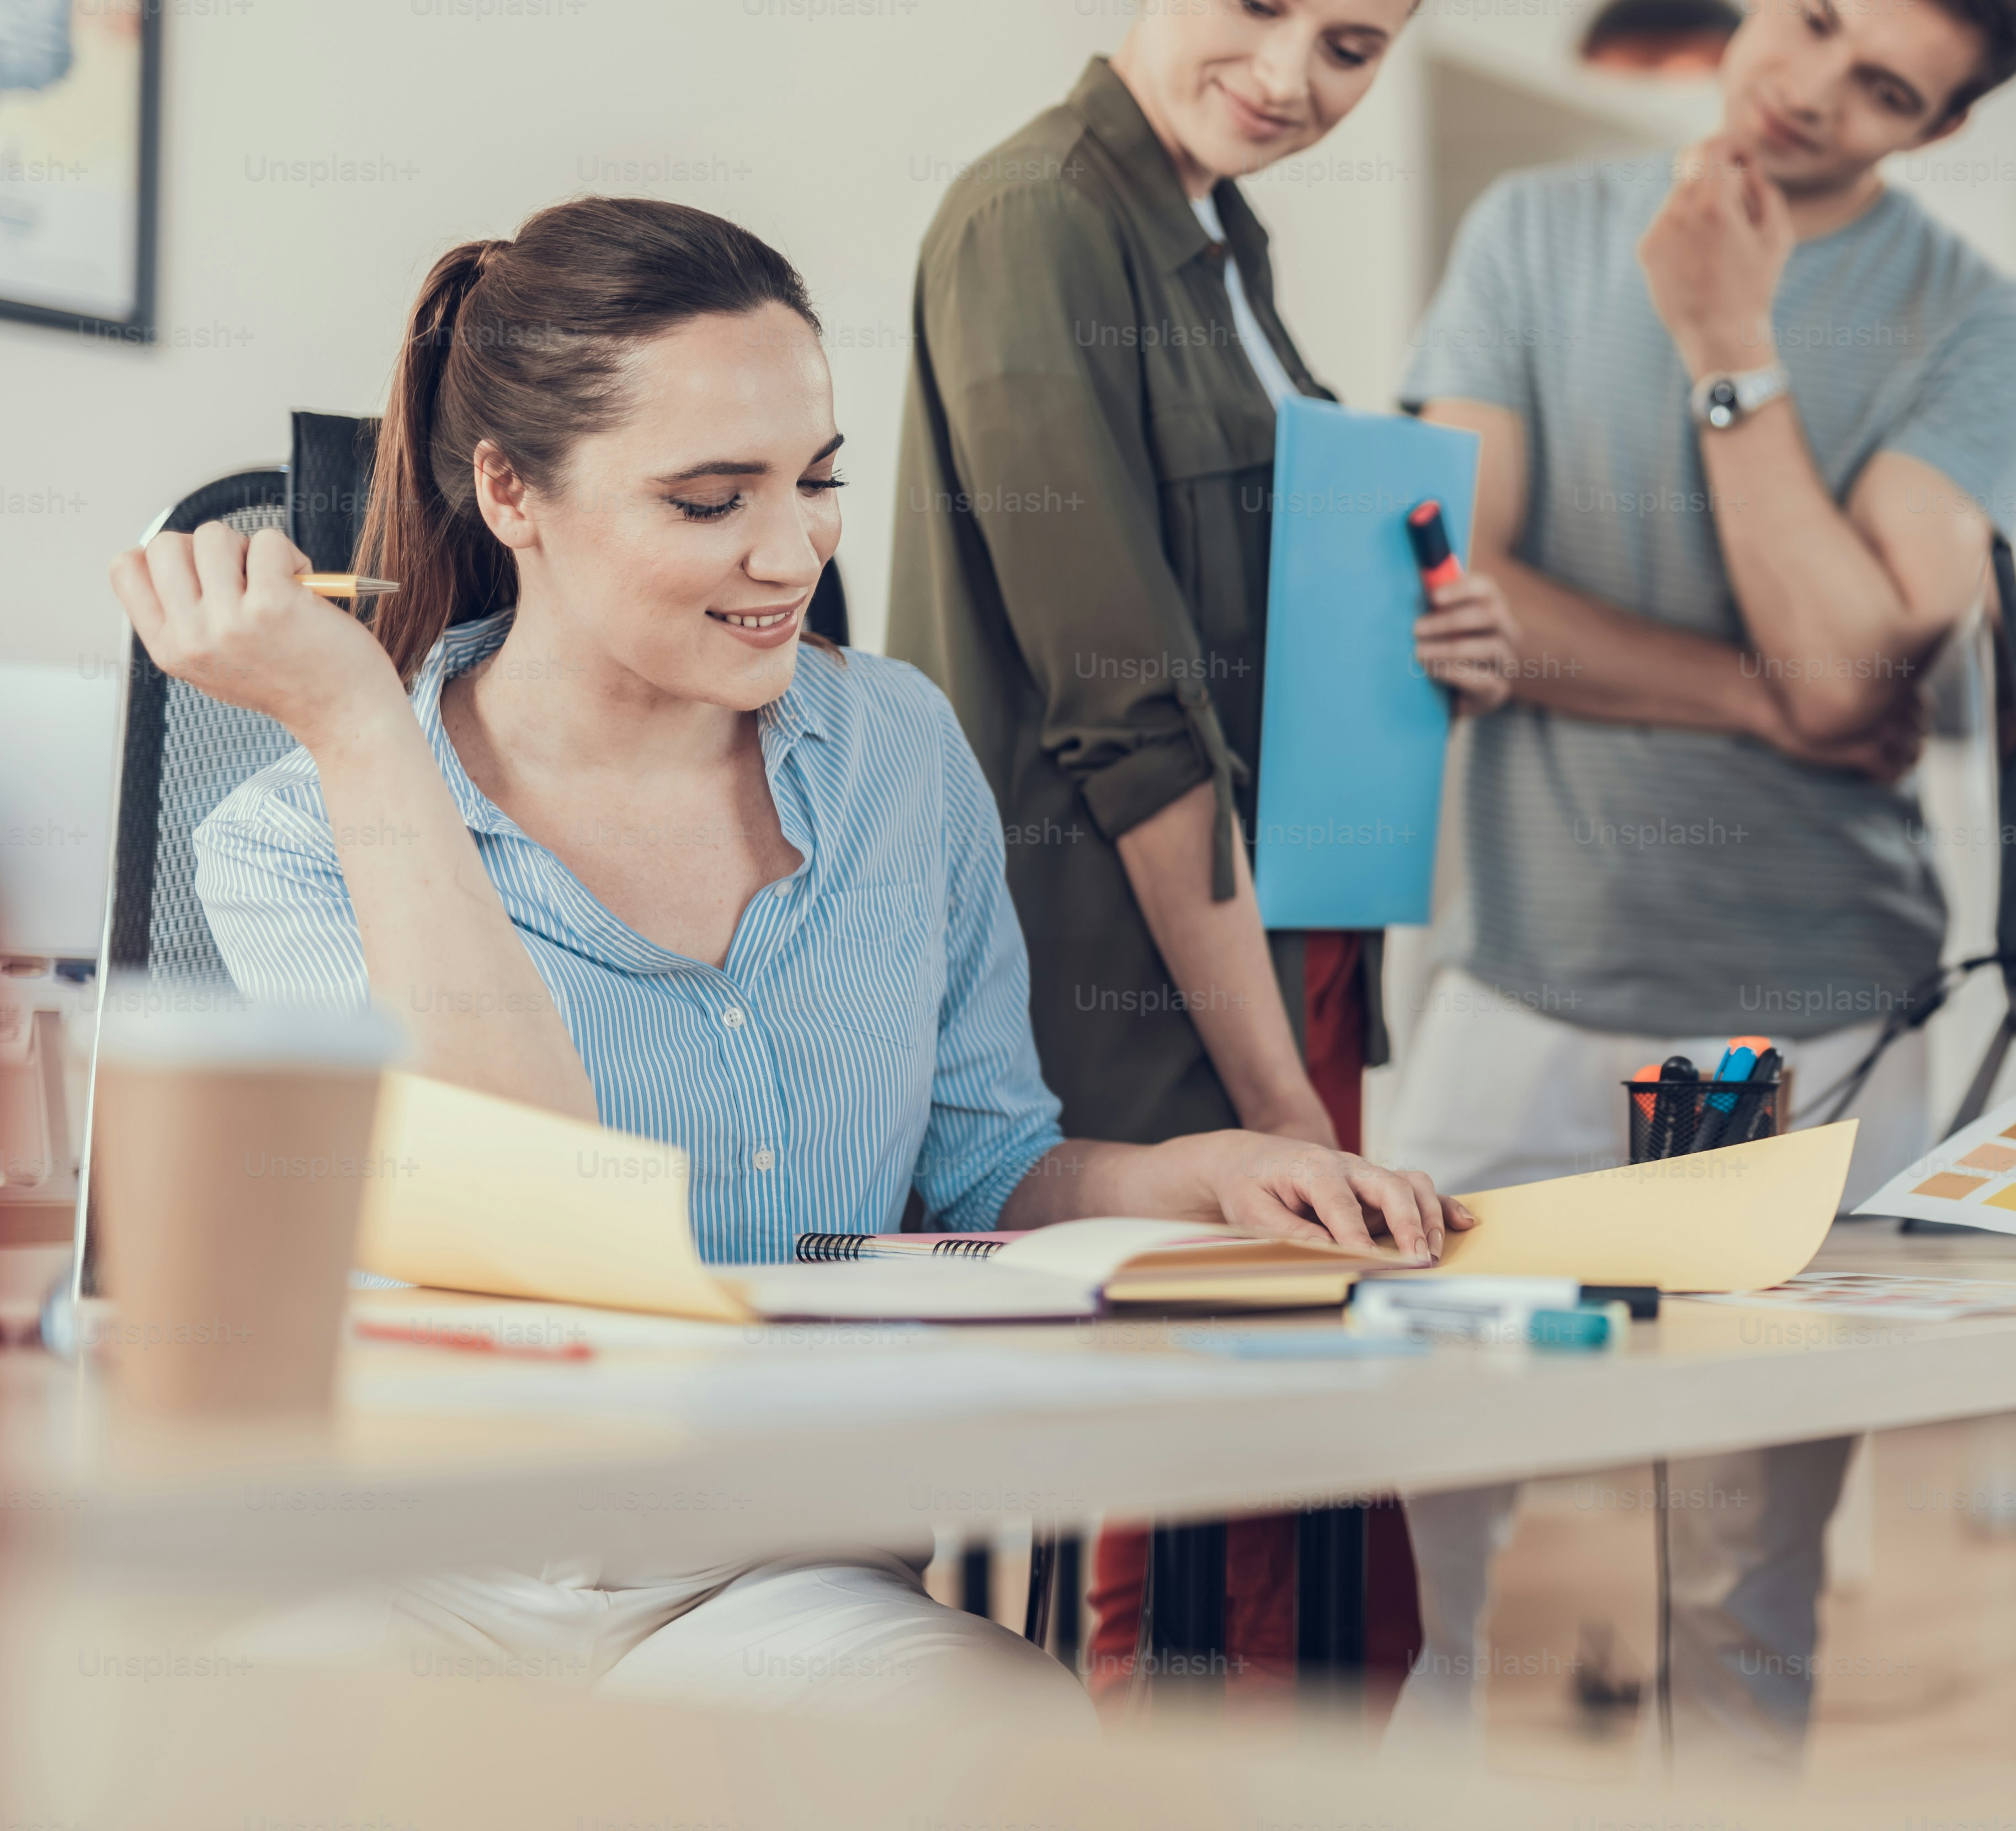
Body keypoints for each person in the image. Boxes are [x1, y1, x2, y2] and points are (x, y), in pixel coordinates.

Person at [119, 195, 1470, 1738]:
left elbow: (989, 1173)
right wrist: (362, 733)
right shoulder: (295, 833)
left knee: (998, 1745)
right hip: (422, 1559)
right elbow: (544, 1218)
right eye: (709, 501)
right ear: (512, 489)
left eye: (816, 480)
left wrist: (1203, 1176)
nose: (794, 550)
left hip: (777, 1570)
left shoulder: (899, 752)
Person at [1380, 0, 2016, 1764]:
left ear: (1939, 127)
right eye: (1815, 19)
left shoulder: (1975, 325)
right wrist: (1768, 692)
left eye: (1883, 91)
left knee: (1734, 1587)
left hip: (1811, 1013)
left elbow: (1870, 676)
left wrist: (1724, 348)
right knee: (1399, 1547)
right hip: (1511, 986)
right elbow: (1463, 597)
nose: (1809, 90)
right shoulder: (1526, 231)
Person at [889, 0, 1513, 1696]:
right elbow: (1130, 721)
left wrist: (1428, 626)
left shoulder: (1225, 242)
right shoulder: (1033, 225)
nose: (1292, 79)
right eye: (1256, 3)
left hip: (1277, 959)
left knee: (1315, 1577)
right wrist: (1269, 1116)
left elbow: (1249, 617)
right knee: (1215, 1590)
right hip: (1128, 1001)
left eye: (1352, 45)